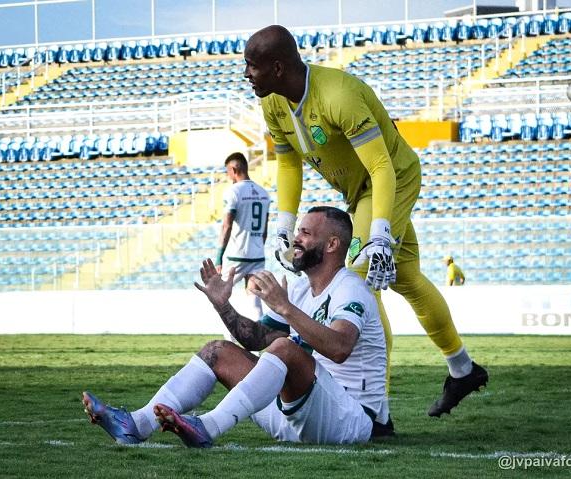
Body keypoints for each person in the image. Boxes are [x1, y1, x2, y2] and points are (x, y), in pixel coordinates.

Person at [243, 25, 488, 423]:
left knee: (357, 278)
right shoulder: (273, 103)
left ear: (277, 67)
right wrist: (285, 225)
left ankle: (374, 410)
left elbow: (380, 166)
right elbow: (288, 162)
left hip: (390, 178)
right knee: (405, 278)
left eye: (252, 67)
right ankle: (463, 370)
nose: (246, 75)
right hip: (357, 192)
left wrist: (378, 236)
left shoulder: (339, 95)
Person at [82, 206, 387, 446]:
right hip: (297, 414)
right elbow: (256, 339)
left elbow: (339, 348)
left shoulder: (350, 288)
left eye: (306, 234)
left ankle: (208, 427)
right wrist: (223, 305)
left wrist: (284, 307)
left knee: (285, 348)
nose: (296, 239)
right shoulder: (300, 289)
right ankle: (136, 425)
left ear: (332, 244)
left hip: (351, 419)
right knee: (217, 351)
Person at [215, 152, 271, 319]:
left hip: (235, 256)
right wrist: (258, 248)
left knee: (220, 298)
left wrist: (219, 257)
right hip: (257, 255)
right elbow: (265, 229)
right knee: (254, 300)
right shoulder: (264, 193)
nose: (228, 175)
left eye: (228, 171)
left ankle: (228, 341)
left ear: (233, 169)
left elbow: (227, 225)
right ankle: (258, 342)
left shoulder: (233, 191)